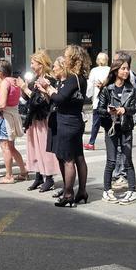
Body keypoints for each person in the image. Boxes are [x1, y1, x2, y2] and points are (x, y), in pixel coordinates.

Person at [36, 45, 90, 206]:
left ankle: (68, 194)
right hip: (73, 121)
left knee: (68, 159)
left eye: (66, 56)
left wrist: (47, 87)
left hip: (67, 122)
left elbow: (60, 99)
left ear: (73, 58)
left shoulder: (73, 78)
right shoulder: (79, 78)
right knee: (78, 156)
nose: (64, 58)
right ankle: (81, 191)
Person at [99, 55, 136, 203]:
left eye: (127, 69)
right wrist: (109, 111)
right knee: (111, 161)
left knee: (127, 160)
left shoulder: (131, 88)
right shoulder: (107, 89)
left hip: (126, 127)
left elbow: (134, 108)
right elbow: (99, 109)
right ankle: (107, 191)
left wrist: (125, 110)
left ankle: (132, 191)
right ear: (116, 70)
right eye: (123, 68)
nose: (126, 71)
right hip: (111, 127)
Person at [22, 51, 60, 192]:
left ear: (40, 64)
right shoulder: (37, 79)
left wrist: (26, 89)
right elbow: (29, 99)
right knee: (35, 148)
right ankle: (38, 176)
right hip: (34, 118)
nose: (31, 65)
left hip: (43, 118)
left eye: (33, 63)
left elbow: (41, 102)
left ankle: (48, 178)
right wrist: (24, 89)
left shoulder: (49, 79)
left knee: (45, 148)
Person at [0, 58, 27, 183]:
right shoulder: (14, 81)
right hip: (13, 115)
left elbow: (2, 104)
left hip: (5, 117)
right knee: (11, 147)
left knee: (5, 146)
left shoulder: (5, 82)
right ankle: (23, 172)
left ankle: (9, 175)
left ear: (0, 71)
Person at [85, 52, 111, 150]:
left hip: (98, 100)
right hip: (109, 101)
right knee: (108, 122)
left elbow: (90, 85)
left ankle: (91, 143)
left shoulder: (94, 71)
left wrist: (88, 96)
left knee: (96, 123)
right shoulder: (110, 70)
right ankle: (110, 142)